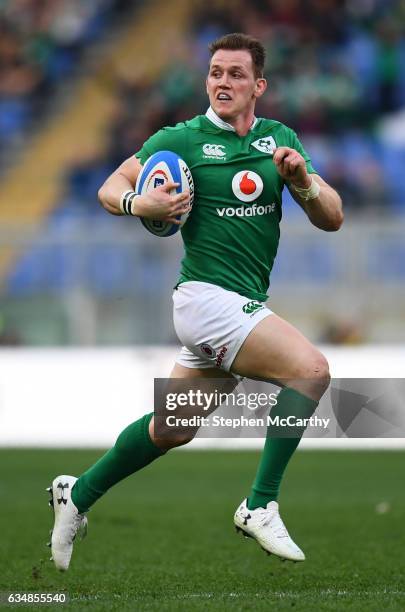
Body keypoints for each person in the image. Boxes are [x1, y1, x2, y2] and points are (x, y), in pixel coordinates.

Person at [47, 33, 343, 571]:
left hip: (238, 304)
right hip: (205, 299)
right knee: (311, 370)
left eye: (235, 74)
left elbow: (333, 215)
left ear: (259, 85)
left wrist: (301, 183)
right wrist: (141, 202)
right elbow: (110, 186)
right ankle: (260, 504)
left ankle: (78, 493)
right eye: (215, 73)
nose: (222, 82)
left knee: (172, 428)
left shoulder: (279, 139)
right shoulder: (178, 140)